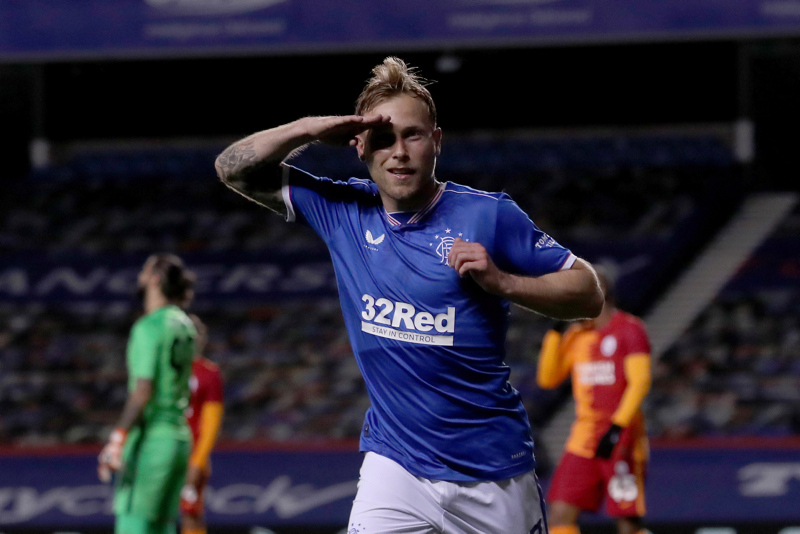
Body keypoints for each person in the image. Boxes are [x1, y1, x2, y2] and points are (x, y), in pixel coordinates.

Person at [215, 56, 603, 534]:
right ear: (359, 145)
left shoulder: (489, 215)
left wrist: (503, 282)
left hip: (492, 472)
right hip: (395, 467)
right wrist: (307, 130)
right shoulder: (342, 210)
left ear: (436, 141)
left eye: (412, 136)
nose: (399, 152)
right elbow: (232, 169)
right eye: (383, 138)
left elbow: (588, 292)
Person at [536, 267, 652, 534]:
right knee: (559, 515)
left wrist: (617, 427)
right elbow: (547, 379)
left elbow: (640, 382)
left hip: (621, 440)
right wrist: (555, 332)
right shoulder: (577, 335)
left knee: (627, 521)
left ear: (598, 292)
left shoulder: (630, 329)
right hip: (583, 439)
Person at [98, 254, 197, 534]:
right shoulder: (186, 325)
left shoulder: (149, 326)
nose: (140, 276)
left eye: (145, 270)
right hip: (179, 439)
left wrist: (117, 440)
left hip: (152, 441)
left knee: (134, 524)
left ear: (155, 279)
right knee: (162, 527)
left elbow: (142, 391)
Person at [180, 314, 224, 534]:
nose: (196, 337)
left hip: (192, 453)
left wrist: (197, 463)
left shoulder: (209, 373)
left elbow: (211, 425)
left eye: (200, 331)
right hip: (162, 450)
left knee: (191, 513)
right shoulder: (165, 369)